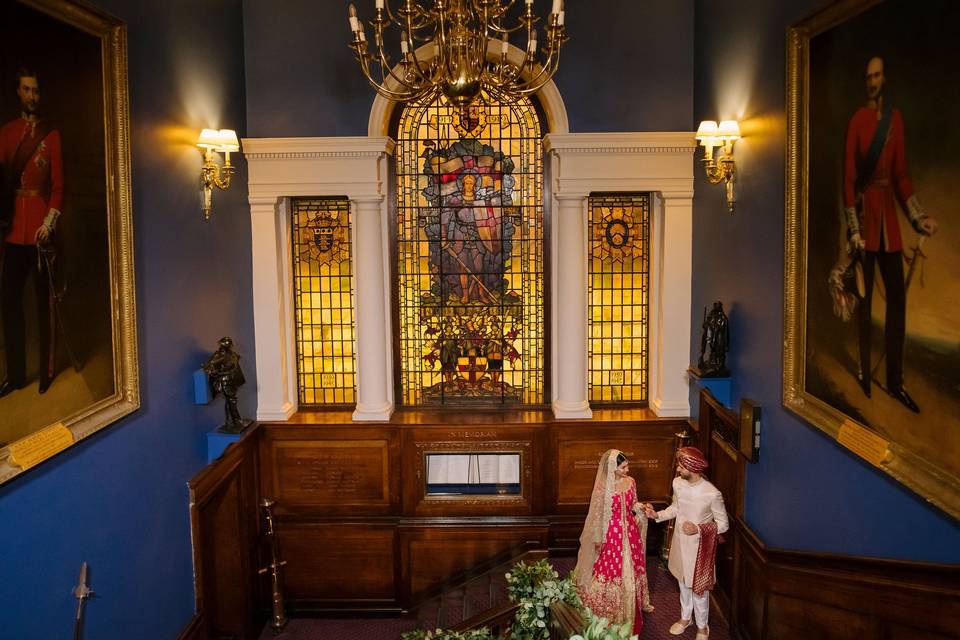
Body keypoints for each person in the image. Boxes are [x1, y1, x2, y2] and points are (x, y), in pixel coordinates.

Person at [842, 56, 938, 412]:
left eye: (877, 75)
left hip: (890, 229)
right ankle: (866, 375)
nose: (872, 81)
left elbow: (901, 176)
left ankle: (895, 381)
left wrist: (919, 218)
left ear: (885, 78)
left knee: (897, 302)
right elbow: (849, 179)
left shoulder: (895, 121)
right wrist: (854, 229)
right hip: (865, 224)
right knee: (865, 306)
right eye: (868, 76)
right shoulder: (857, 121)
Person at [0, 68, 64, 398]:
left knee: (44, 303)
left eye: (36, 90)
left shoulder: (50, 134)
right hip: (13, 231)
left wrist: (48, 224)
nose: (33, 96)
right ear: (18, 93)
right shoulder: (7, 133)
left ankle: (48, 371)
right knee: (10, 303)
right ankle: (16, 374)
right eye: (27, 90)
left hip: (40, 230)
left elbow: (58, 187)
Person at [643, 447, 728, 640]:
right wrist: (657, 515)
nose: (678, 470)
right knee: (682, 583)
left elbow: (723, 525)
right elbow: (675, 508)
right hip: (679, 545)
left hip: (700, 550)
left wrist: (698, 529)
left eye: (682, 466)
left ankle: (702, 626)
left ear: (693, 467)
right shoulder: (677, 484)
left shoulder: (712, 493)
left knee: (699, 590)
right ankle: (685, 618)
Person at [574, 449, 648, 635]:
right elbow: (598, 516)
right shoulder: (603, 488)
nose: (627, 469)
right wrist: (599, 538)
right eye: (623, 467)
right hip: (612, 534)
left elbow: (633, 504)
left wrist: (641, 507)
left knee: (632, 568)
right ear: (613, 468)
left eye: (627, 466)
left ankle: (633, 604)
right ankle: (610, 609)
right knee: (610, 570)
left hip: (630, 533)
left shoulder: (631, 482)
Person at [203, 336, 248, 433]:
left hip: (232, 380)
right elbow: (208, 366)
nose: (229, 347)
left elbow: (235, 362)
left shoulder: (232, 354)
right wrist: (217, 373)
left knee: (230, 401)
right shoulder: (219, 355)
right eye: (227, 345)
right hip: (225, 380)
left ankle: (230, 421)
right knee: (231, 400)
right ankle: (236, 420)